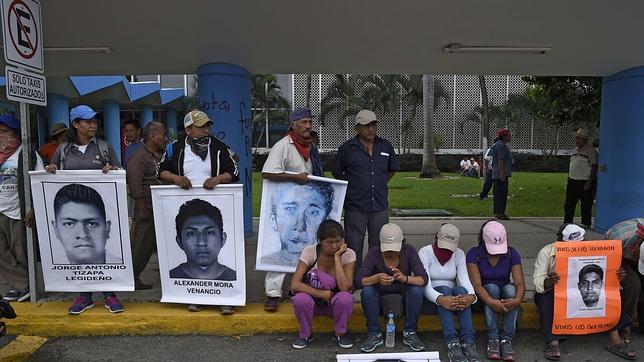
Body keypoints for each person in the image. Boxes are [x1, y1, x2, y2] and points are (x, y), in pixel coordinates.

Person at [157, 109, 239, 314]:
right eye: (201, 126)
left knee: (225, 256)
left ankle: (226, 298)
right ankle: (194, 296)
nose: (206, 130)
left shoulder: (220, 148)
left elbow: (234, 172)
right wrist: (176, 179)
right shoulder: (174, 149)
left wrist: (217, 179)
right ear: (188, 130)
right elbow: (160, 171)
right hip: (185, 208)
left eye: (207, 126)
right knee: (193, 257)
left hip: (217, 206)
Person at [45, 105, 124, 315]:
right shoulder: (62, 151)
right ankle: (84, 296)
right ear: (75, 124)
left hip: (99, 211)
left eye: (94, 121)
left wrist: (113, 170)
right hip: (72, 207)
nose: (93, 124)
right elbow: (52, 178)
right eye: (87, 121)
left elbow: (119, 173)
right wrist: (51, 170)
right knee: (80, 254)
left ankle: (109, 293)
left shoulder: (105, 148)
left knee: (101, 250)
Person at [533, 223, 635, 361]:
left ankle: (615, 340)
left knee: (604, 294)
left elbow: (606, 276)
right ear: (560, 242)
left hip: (581, 290)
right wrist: (549, 282)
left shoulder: (593, 250)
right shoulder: (546, 252)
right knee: (545, 297)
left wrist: (617, 278)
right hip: (556, 292)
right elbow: (538, 283)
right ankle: (553, 342)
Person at [261, 107, 324, 312]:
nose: (308, 126)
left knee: (307, 249)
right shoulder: (283, 146)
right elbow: (267, 173)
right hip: (288, 205)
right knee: (280, 250)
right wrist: (293, 177)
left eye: (309, 122)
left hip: (307, 206)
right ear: (294, 125)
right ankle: (273, 294)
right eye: (303, 122)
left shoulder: (311, 147)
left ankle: (301, 289)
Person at [332, 109, 400, 284]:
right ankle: (354, 282)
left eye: (373, 125)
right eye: (366, 126)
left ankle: (375, 280)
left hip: (379, 205)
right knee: (354, 246)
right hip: (355, 206)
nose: (370, 129)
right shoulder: (347, 149)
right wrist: (355, 185)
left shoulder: (386, 146)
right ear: (357, 128)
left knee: (378, 246)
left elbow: (392, 169)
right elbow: (337, 173)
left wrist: (379, 181)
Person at [357, 223, 428, 353]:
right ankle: (374, 334)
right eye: (387, 248)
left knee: (416, 290)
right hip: (378, 300)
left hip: (403, 298)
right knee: (367, 291)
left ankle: (410, 332)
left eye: (395, 248)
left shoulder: (409, 250)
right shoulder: (374, 253)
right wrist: (377, 278)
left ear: (402, 243)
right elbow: (359, 280)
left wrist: (405, 278)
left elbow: (423, 279)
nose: (391, 252)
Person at [418, 223, 480, 362]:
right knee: (446, 290)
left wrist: (470, 297)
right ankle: (452, 343)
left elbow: (465, 281)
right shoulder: (425, 252)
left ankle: (468, 342)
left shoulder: (459, 254)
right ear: (436, 239)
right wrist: (441, 299)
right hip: (432, 300)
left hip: (453, 300)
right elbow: (425, 285)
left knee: (461, 290)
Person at [290, 220, 355, 349]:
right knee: (300, 299)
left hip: (334, 304)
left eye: (338, 241)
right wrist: (324, 293)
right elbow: (295, 285)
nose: (334, 246)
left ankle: (340, 333)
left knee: (346, 298)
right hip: (312, 303)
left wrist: (337, 258)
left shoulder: (348, 254)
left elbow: (344, 288)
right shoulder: (310, 252)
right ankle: (306, 334)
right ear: (320, 240)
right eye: (329, 242)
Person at [466, 220, 525, 361]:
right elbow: (477, 285)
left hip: (503, 297)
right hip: (484, 298)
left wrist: (517, 300)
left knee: (511, 289)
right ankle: (493, 338)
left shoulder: (511, 253)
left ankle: (507, 339)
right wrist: (491, 302)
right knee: (491, 288)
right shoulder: (474, 254)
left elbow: (519, 282)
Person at [126, 121, 167, 289]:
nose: (165, 138)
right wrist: (141, 207)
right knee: (142, 245)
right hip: (147, 207)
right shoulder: (139, 156)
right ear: (152, 136)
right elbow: (134, 182)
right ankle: (131, 278)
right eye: (163, 135)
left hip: (160, 205)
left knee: (151, 245)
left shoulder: (159, 154)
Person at [260, 180, 334, 266]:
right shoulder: (265, 263)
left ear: (325, 221)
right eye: (290, 209)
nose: (300, 226)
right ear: (274, 220)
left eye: (313, 212)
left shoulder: (327, 269)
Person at [0, 115, 30, 302]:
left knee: (19, 251)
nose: (1, 136)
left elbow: (35, 181)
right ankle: (21, 284)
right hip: (0, 209)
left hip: (17, 211)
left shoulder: (25, 154)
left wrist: (32, 207)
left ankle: (22, 286)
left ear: (15, 134)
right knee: (2, 252)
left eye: (4, 132)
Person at [51, 183, 121, 264]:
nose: (82, 234)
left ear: (107, 228)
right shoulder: (50, 271)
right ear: (56, 229)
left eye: (91, 224)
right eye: (69, 224)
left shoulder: (125, 274)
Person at [170, 198, 235, 280]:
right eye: (192, 234)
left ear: (223, 239)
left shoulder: (235, 279)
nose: (201, 242)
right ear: (179, 242)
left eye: (209, 233)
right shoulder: (170, 279)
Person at [606, 218, 644, 336]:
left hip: (634, 255)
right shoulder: (619, 240)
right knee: (633, 284)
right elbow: (605, 258)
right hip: (616, 255)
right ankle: (624, 325)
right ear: (636, 247)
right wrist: (615, 272)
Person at [563, 129, 598, 228]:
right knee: (569, 203)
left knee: (586, 204)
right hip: (572, 180)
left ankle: (586, 223)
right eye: (576, 138)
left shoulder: (590, 151)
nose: (577, 140)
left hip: (584, 181)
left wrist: (589, 182)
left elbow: (594, 166)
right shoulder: (575, 150)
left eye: (579, 139)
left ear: (585, 140)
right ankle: (567, 222)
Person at [491, 128, 513, 220]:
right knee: (501, 194)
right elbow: (500, 160)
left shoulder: (497, 145)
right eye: (508, 135)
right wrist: (502, 174)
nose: (510, 137)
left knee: (498, 193)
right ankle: (500, 213)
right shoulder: (501, 146)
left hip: (497, 173)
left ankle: (498, 212)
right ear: (504, 136)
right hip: (500, 174)